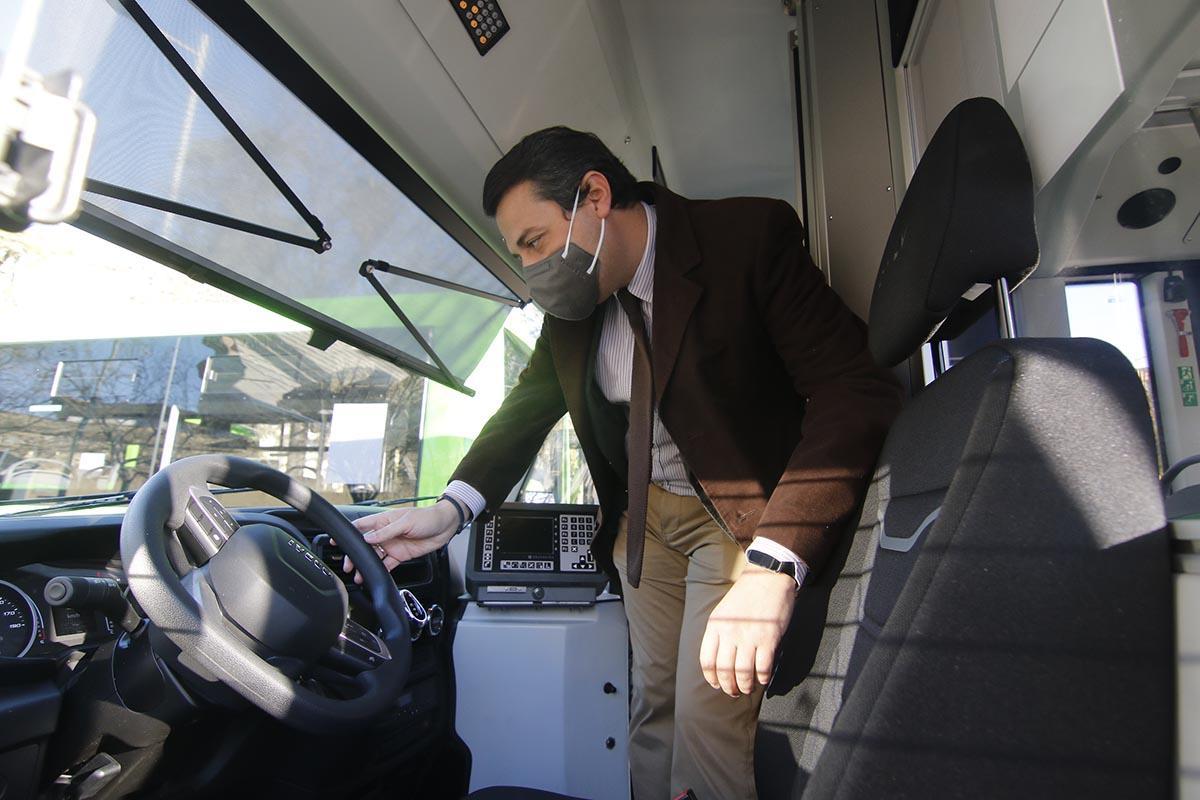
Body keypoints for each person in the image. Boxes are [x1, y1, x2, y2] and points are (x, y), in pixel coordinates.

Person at [344, 127, 903, 799]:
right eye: (519, 255)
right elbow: (526, 411)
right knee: (653, 707)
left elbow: (853, 387)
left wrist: (774, 564)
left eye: (535, 242)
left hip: (737, 520)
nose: (531, 272)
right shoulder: (574, 309)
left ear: (595, 196)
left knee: (707, 717)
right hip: (643, 523)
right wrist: (449, 510)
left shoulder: (747, 238)